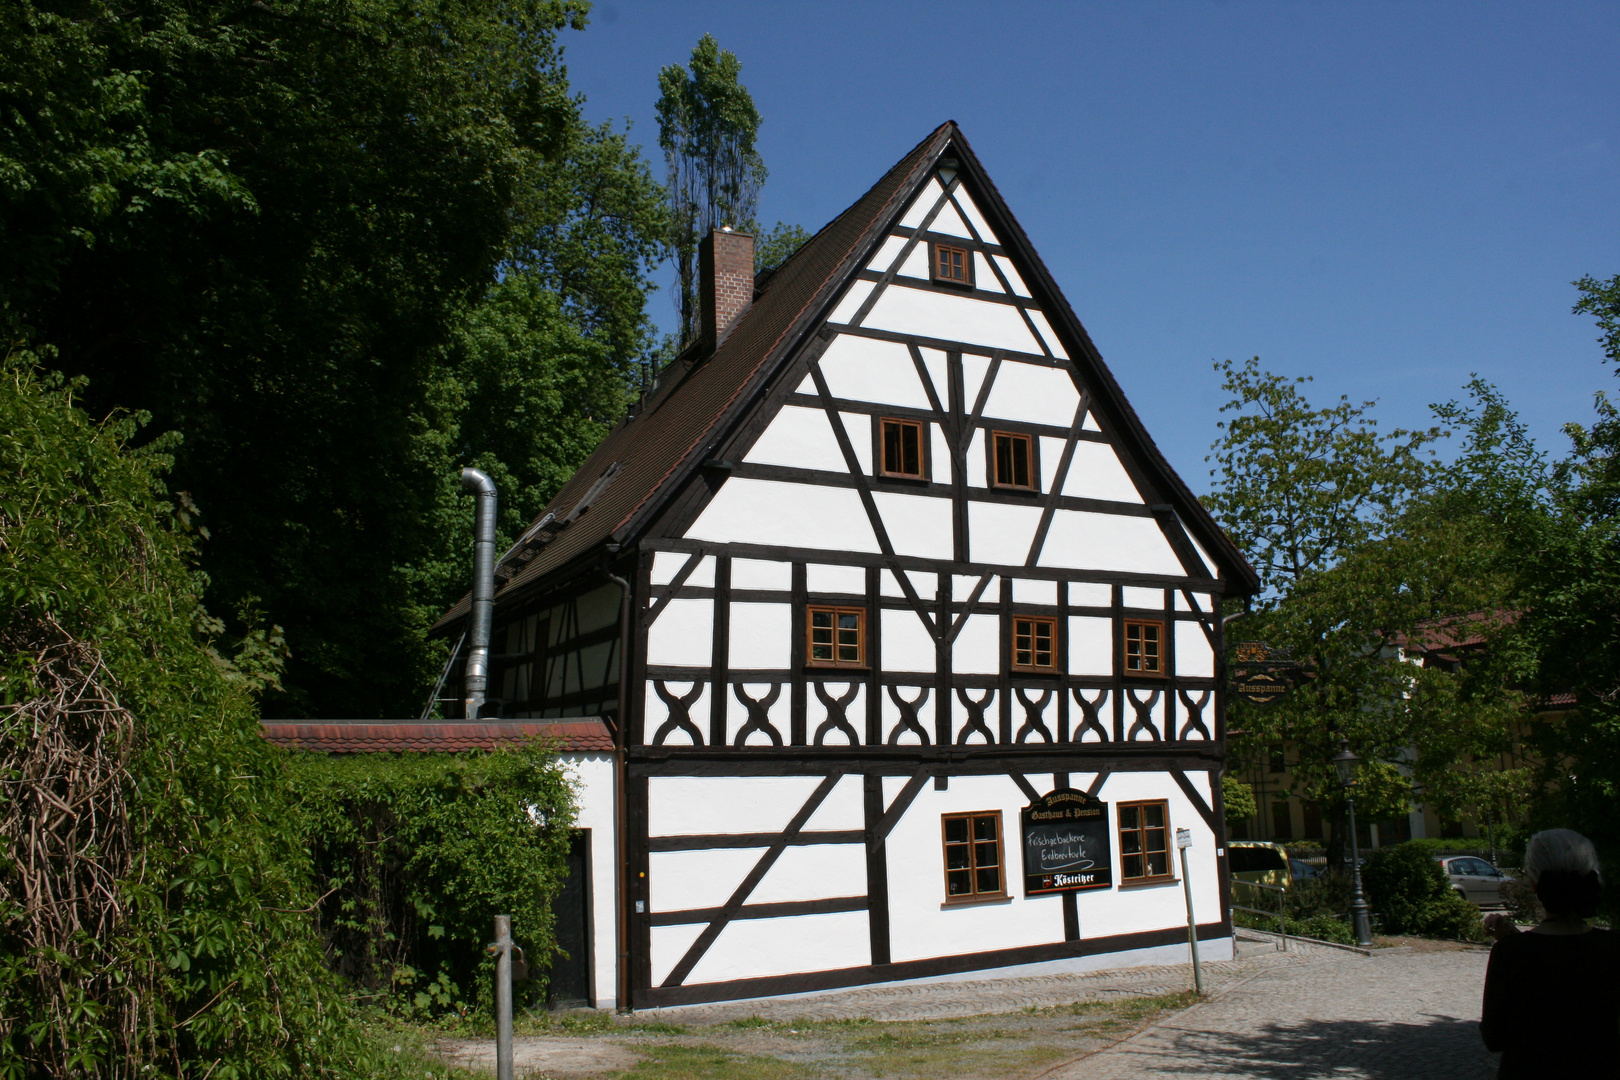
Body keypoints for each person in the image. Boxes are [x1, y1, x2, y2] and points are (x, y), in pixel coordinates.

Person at [1480, 828, 1619, 1078]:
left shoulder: (1513, 953)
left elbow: (1494, 1037)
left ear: (1534, 885)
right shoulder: (1612, 947)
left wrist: (1512, 946)